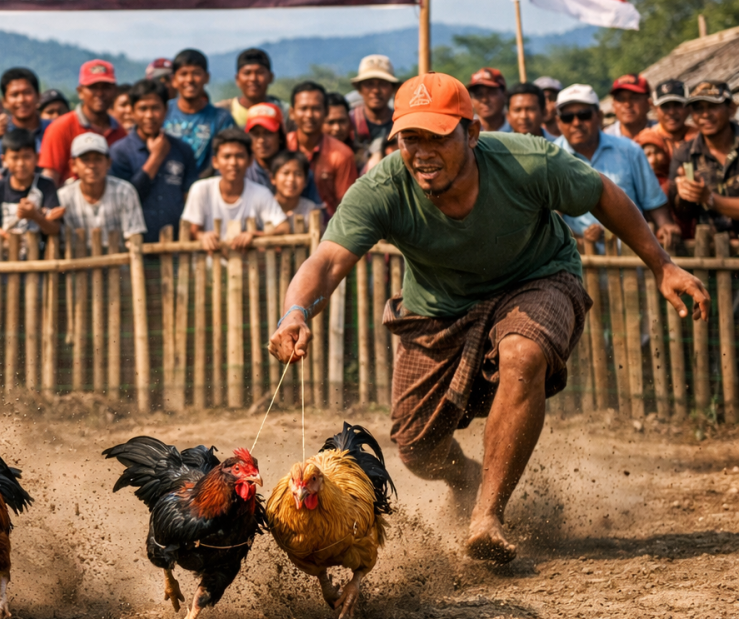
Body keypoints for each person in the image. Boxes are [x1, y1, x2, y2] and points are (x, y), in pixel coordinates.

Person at [268, 72, 708, 566]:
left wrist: (662, 265)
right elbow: (326, 261)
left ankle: (487, 515)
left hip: (536, 278)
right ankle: (468, 480)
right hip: (437, 311)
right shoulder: (383, 188)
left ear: (471, 134)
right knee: (416, 449)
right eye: (411, 138)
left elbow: (602, 192)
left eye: (437, 136)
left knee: (523, 354)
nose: (423, 151)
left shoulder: (527, 161)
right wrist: (295, 312)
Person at [553, 84, 679, 246]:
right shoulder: (551, 158)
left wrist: (666, 226)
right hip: (578, 259)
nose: (576, 123)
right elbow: (549, 219)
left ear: (599, 116)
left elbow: (654, 204)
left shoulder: (629, 151)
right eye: (567, 117)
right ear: (558, 121)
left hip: (632, 256)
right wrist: (578, 238)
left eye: (584, 115)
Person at [109, 78, 197, 241]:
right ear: (133, 112)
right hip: (135, 245)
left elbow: (190, 199)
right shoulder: (119, 152)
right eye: (143, 109)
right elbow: (124, 199)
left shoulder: (182, 150)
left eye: (155, 108)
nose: (149, 115)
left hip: (176, 245)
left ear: (166, 110)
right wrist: (156, 157)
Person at [182, 128, 290, 251]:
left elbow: (284, 227)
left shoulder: (260, 193)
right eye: (227, 156)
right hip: (208, 267)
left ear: (250, 161)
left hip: (248, 268)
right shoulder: (200, 189)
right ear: (215, 162)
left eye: (240, 156)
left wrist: (256, 235)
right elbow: (191, 231)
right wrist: (203, 236)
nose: (233, 162)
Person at [669, 81, 739, 238]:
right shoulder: (684, 154)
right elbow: (682, 215)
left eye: (713, 106)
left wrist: (708, 198)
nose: (705, 115)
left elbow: (707, 198)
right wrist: (685, 193)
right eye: (698, 108)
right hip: (710, 252)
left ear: (731, 108)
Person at [39, 59, 126, 184]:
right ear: (80, 92)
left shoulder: (120, 131)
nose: (100, 93)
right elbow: (50, 177)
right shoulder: (60, 128)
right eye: (93, 87)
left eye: (106, 87)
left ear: (115, 91)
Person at [56, 133, 146, 247]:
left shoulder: (125, 192)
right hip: (78, 264)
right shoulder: (64, 197)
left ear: (108, 163)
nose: (92, 165)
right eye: (85, 160)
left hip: (118, 263)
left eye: (98, 159)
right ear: (73, 165)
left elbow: (134, 237)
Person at [0, 128, 63, 240]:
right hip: (5, 254)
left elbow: (55, 229)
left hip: (41, 256)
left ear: (37, 158)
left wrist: (35, 216)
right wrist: (10, 238)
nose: (21, 163)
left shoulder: (46, 186)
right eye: (14, 158)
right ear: (4, 160)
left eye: (26, 157)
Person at [287, 81, 358, 214]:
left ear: (325, 112)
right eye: (303, 109)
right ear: (292, 112)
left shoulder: (342, 154)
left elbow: (346, 207)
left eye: (316, 108)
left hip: (327, 229)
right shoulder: (283, 146)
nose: (309, 115)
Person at [163, 49, 235, 174]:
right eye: (183, 74)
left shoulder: (221, 119)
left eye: (196, 73)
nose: (190, 79)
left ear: (207, 77)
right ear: (174, 80)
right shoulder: (163, 112)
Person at [0, 67, 47, 156]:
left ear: (38, 96)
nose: (21, 100)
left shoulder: (54, 129)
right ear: (4, 101)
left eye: (27, 93)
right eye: (14, 95)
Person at [216, 48, 283, 128]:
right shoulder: (220, 113)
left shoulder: (284, 113)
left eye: (260, 72)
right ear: (237, 79)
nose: (253, 78)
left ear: (271, 77)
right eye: (247, 73)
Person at [350, 55, 399, 143]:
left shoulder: (400, 123)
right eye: (369, 84)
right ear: (360, 89)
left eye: (383, 84)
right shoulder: (349, 123)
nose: (376, 90)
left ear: (393, 89)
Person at [649, 80, 697, 159]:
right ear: (655, 109)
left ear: (689, 107)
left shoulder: (700, 137)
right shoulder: (647, 139)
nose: (671, 112)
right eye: (665, 106)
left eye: (677, 104)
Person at [243, 102, 285, 190]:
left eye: (268, 133)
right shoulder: (242, 172)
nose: (261, 140)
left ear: (280, 136)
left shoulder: (297, 168)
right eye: (255, 134)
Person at [270, 150, 320, 219]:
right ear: (272, 178)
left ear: (306, 181)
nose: (291, 179)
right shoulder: (265, 207)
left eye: (298, 174)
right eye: (285, 173)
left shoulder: (311, 210)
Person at [605, 74, 654, 139]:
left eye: (634, 98)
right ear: (613, 105)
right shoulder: (603, 140)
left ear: (648, 103)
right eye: (620, 99)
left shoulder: (663, 134)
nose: (627, 105)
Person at [467, 68, 510, 132]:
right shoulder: (465, 131)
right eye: (478, 94)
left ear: (505, 95)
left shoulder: (519, 127)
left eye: (491, 93)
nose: (484, 100)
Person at [634, 128, 671, 193]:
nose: (652, 160)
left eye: (657, 152)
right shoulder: (635, 180)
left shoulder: (670, 173)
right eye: (647, 154)